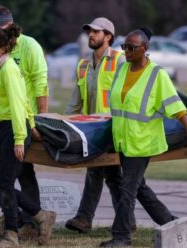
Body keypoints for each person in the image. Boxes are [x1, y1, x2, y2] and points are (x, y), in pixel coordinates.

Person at [99, 27, 187, 248]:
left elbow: (177, 108)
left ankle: (122, 237)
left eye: (131, 47)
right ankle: (169, 222)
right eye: (124, 47)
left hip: (142, 142)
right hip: (124, 140)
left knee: (128, 189)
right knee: (139, 187)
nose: (126, 51)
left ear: (144, 49)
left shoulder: (157, 74)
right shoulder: (121, 70)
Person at [0, 5, 49, 240]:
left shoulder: (28, 48)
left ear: (8, 27)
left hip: (21, 122)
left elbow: (40, 84)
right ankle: (16, 215)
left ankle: (29, 221)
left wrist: (40, 121)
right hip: (1, 121)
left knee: (21, 173)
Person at [64, 17, 132, 233]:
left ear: (108, 36)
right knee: (110, 175)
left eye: (96, 32)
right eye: (89, 32)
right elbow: (76, 99)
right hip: (92, 129)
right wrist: (64, 122)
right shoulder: (83, 63)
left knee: (100, 172)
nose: (90, 35)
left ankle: (86, 218)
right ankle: (125, 221)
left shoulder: (121, 61)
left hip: (113, 127)